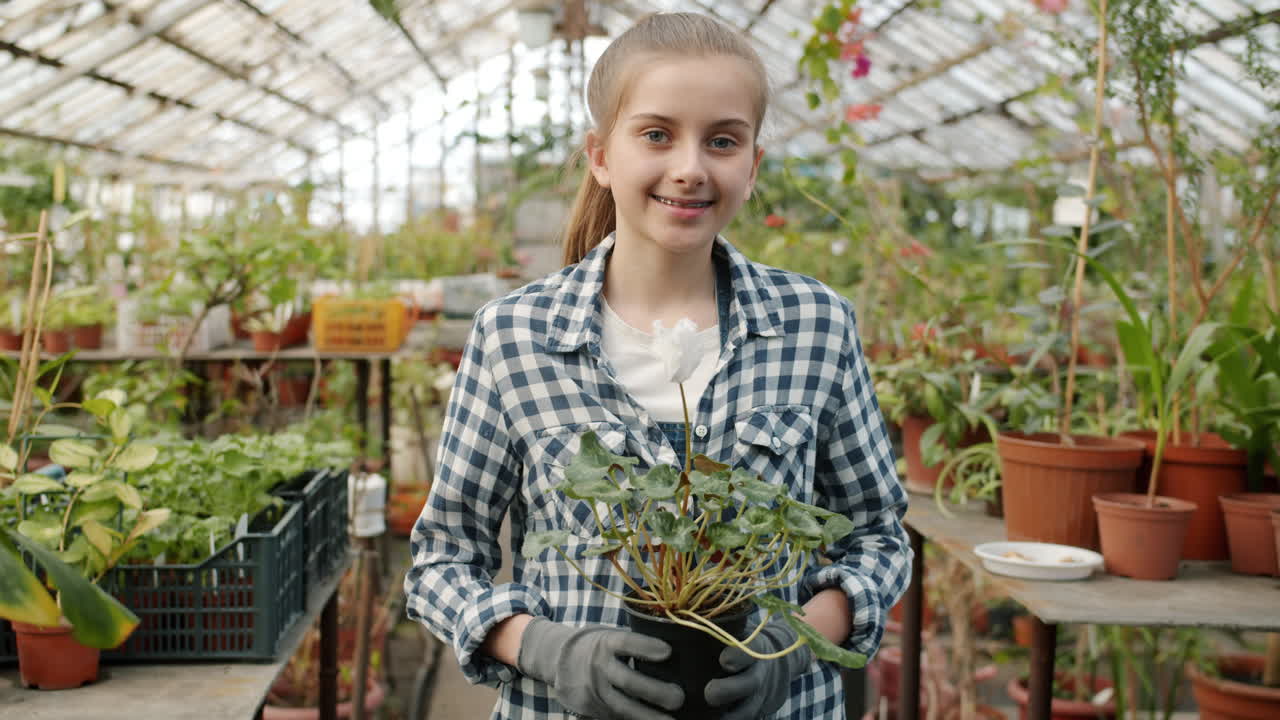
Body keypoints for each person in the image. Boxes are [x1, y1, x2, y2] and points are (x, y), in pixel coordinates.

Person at [405, 11, 911, 720]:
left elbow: (877, 536)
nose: (690, 168)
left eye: (723, 141)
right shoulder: (515, 336)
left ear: (753, 164)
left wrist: (795, 643)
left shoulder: (815, 325)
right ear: (601, 156)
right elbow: (440, 562)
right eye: (656, 134)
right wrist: (544, 648)